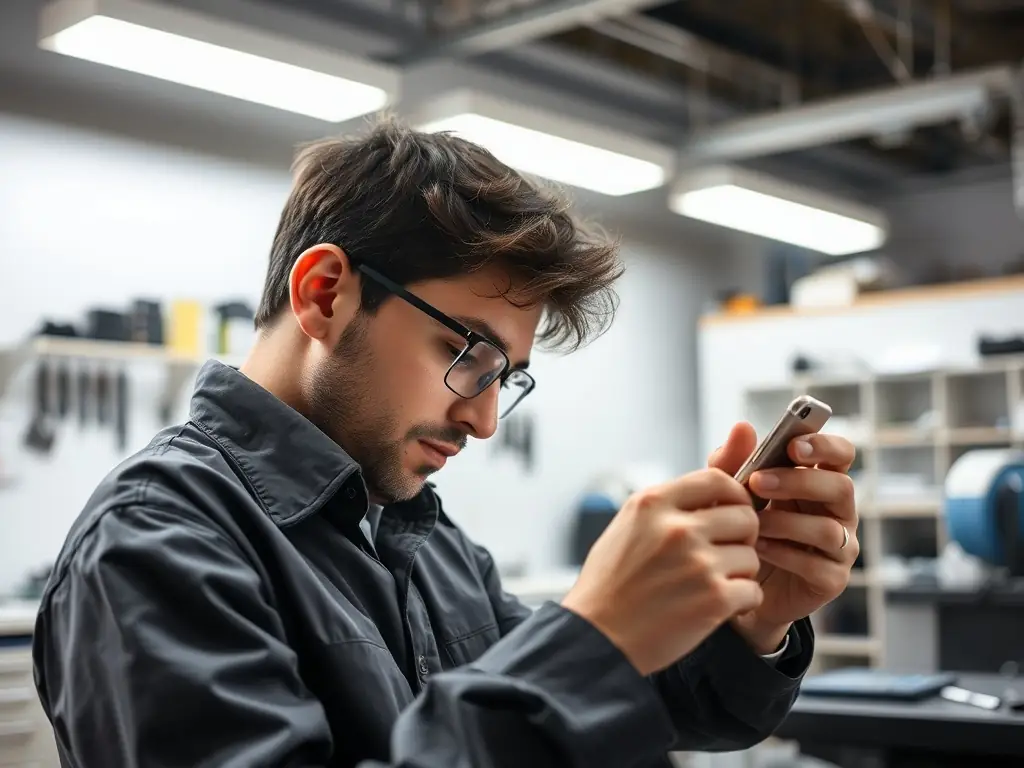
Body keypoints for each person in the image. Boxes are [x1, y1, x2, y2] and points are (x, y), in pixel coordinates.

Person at [32, 117, 860, 768]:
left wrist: (754, 622)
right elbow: (549, 700)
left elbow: (608, 712)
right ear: (325, 295)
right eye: (468, 355)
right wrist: (589, 638)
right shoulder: (153, 545)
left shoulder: (421, 537)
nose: (486, 419)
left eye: (509, 376)